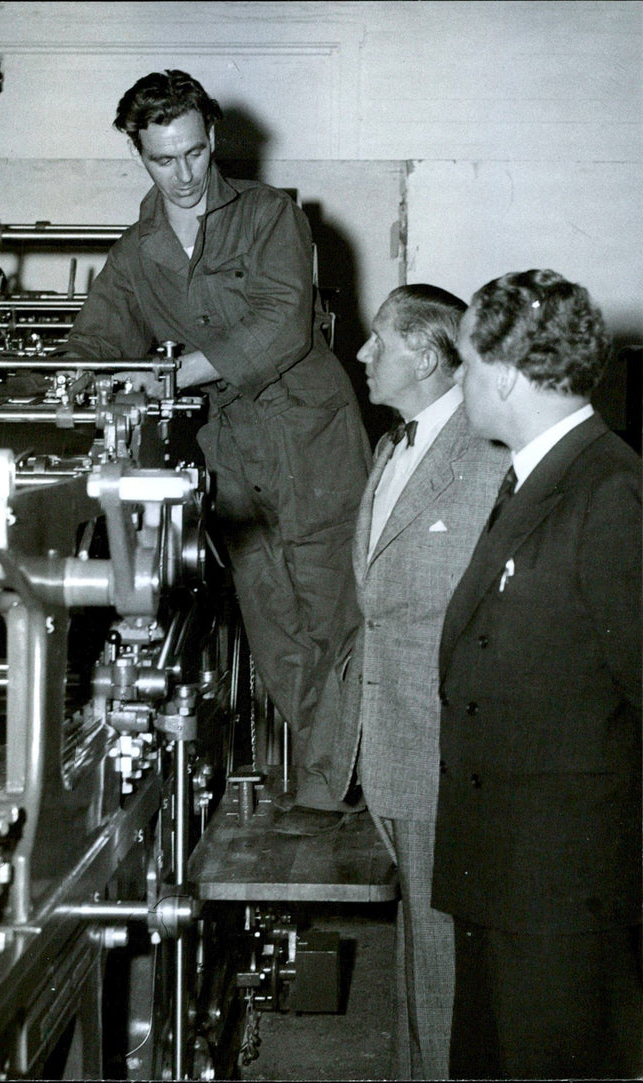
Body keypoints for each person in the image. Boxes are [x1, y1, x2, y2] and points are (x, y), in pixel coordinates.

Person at [65, 70, 371, 808]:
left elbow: (281, 322)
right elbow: (97, 338)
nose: (184, 175)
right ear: (139, 153)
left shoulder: (269, 215)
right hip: (230, 455)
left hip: (307, 437)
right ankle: (337, 791)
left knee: (341, 616)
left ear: (213, 139)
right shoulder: (137, 254)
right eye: (163, 160)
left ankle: (365, 784)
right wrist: (79, 379)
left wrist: (169, 380)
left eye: (194, 154)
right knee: (276, 630)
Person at [432, 269, 642, 1079]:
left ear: (509, 372)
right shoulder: (538, 474)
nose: (459, 380)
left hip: (566, 891)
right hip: (505, 873)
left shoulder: (609, 489)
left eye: (466, 363)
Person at [324, 285, 509, 1077]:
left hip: (445, 745)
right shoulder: (389, 447)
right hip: (388, 737)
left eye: (377, 341)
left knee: (442, 951)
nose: (363, 354)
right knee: (414, 948)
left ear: (427, 356)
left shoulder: (486, 456)